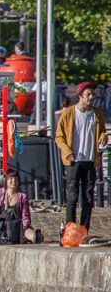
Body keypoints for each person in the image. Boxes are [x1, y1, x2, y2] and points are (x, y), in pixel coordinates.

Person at [54, 81, 108, 232]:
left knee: (88, 197)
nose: (91, 97)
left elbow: (102, 131)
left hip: (90, 160)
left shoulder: (97, 113)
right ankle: (70, 229)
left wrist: (103, 136)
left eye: (92, 94)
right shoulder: (69, 113)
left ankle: (84, 229)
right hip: (73, 161)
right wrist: (67, 151)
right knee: (72, 196)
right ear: (80, 96)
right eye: (88, 94)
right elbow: (59, 136)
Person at [0, 169, 42, 244]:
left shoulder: (23, 196)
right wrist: (0, 227)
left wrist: (20, 229)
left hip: (17, 227)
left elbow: (26, 218)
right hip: (1, 227)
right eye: (11, 178)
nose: (14, 181)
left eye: (16, 179)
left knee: (32, 236)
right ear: (6, 180)